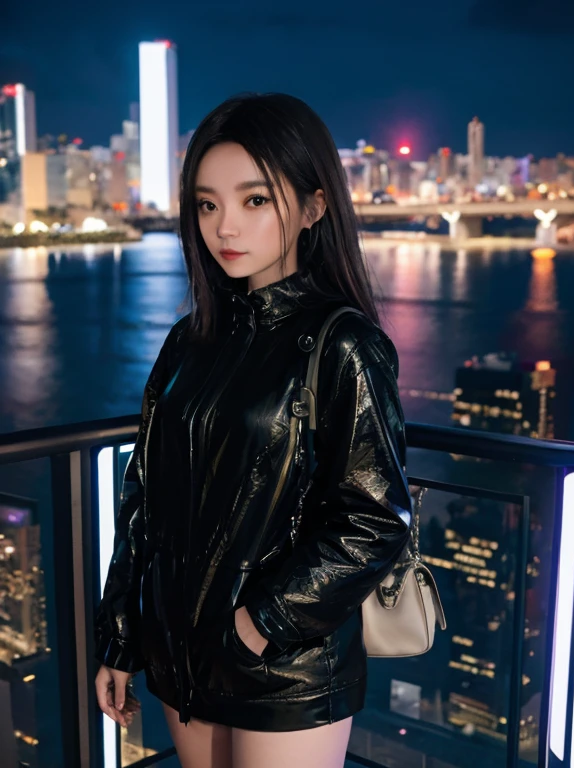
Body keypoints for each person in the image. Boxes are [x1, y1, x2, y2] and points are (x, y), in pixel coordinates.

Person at [94, 92, 413, 768]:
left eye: (255, 200)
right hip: (182, 653)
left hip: (284, 666)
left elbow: (375, 518)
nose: (224, 227)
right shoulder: (190, 341)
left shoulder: (343, 342)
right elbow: (142, 498)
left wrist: (260, 625)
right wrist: (122, 638)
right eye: (207, 204)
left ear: (313, 206)